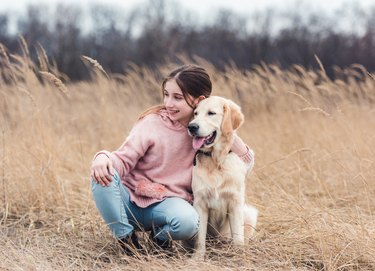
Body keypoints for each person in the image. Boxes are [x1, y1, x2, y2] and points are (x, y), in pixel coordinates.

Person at [90, 64, 254, 256]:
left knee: (189, 222)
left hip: (167, 207)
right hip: (130, 201)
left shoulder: (205, 134)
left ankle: (160, 240)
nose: (168, 103)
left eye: (177, 97)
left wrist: (230, 134)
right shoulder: (152, 123)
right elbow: (123, 160)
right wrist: (103, 157)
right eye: (166, 95)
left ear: (198, 101)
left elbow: (245, 164)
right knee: (102, 176)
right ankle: (127, 242)